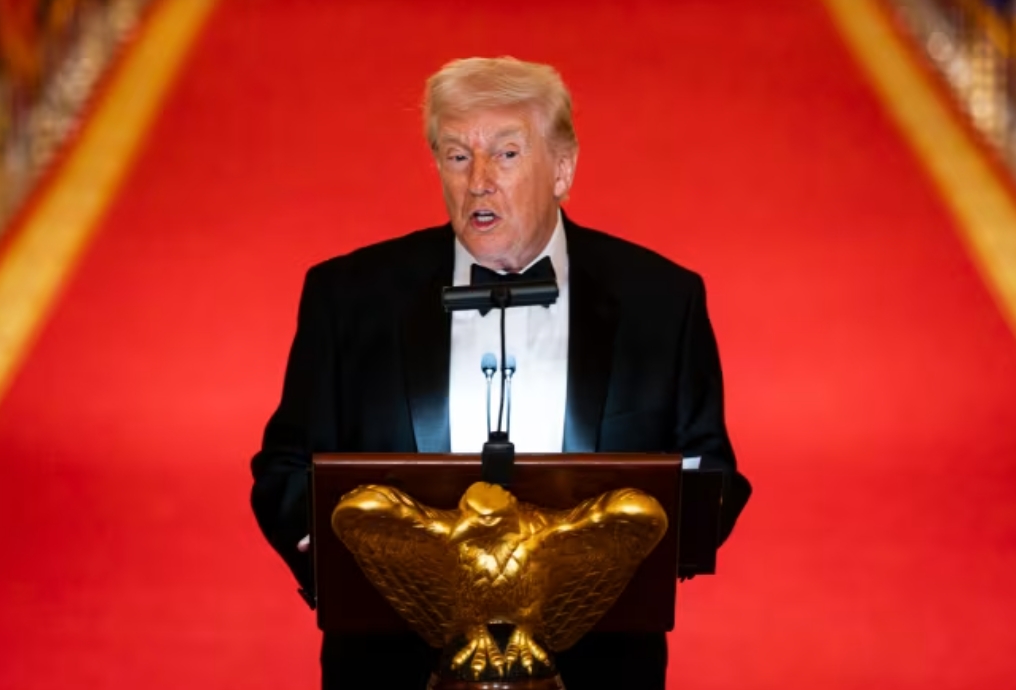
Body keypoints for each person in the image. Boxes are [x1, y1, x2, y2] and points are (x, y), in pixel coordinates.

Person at [250, 56, 751, 690]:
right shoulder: (349, 298)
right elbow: (284, 469)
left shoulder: (660, 300)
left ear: (562, 168)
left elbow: (711, 474)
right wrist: (329, 550)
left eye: (507, 155)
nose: (479, 182)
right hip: (390, 666)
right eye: (458, 156)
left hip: (600, 668)